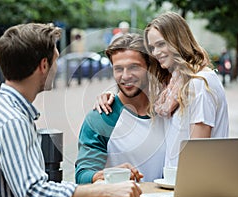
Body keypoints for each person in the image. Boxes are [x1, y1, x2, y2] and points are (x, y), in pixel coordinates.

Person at [0, 23, 141, 197]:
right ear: (44, 65)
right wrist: (105, 191)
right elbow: (34, 192)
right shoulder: (12, 121)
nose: (57, 67)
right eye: (56, 60)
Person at [95, 11, 229, 167]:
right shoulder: (174, 87)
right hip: (176, 184)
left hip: (194, 187)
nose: (156, 53)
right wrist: (111, 98)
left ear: (177, 40)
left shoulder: (199, 83)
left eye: (161, 44)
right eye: (152, 47)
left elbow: (198, 153)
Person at [75, 33, 167, 184]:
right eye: (118, 69)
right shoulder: (102, 117)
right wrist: (112, 174)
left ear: (149, 67)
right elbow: (83, 176)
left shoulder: (168, 111)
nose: (125, 76)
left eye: (133, 67)